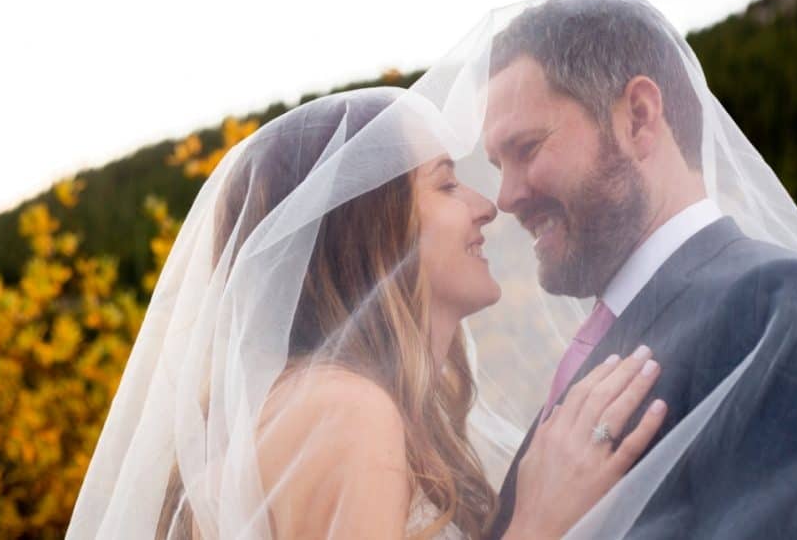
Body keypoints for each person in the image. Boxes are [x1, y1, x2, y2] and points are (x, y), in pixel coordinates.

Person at [66, 87, 669, 539]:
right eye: (446, 185)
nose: (487, 206)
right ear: (373, 231)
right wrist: (538, 522)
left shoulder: (309, 403)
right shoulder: (347, 410)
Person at [480, 0, 797, 538]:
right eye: (496, 165)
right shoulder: (608, 341)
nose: (505, 197)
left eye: (527, 148)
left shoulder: (781, 307)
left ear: (639, 118)